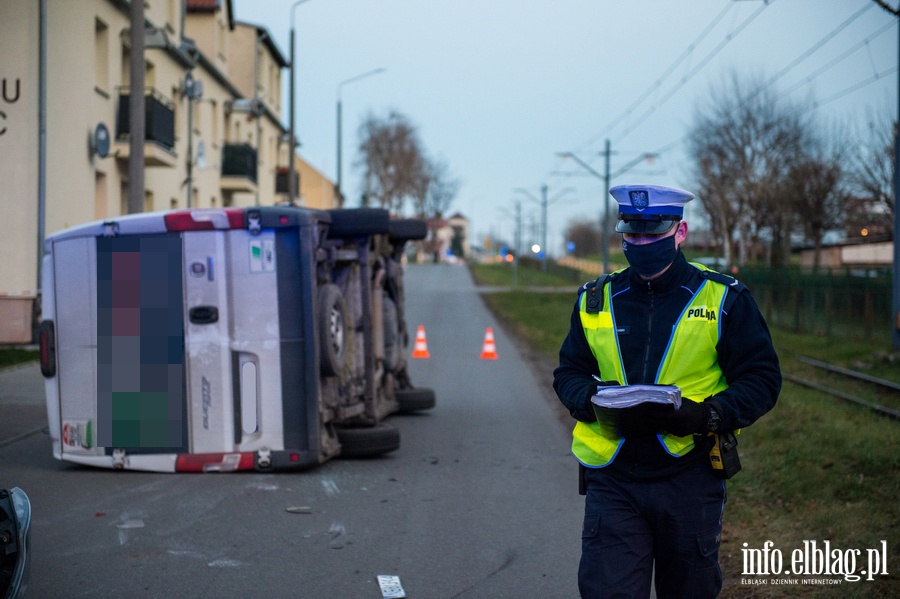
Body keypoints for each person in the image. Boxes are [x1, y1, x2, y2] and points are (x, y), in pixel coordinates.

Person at [553, 184, 781, 599]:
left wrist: (705, 416)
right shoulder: (594, 299)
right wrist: (589, 400)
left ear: (680, 232)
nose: (640, 244)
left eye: (653, 233)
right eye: (631, 233)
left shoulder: (724, 299)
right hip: (614, 478)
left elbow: (762, 379)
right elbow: (569, 372)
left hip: (690, 477)